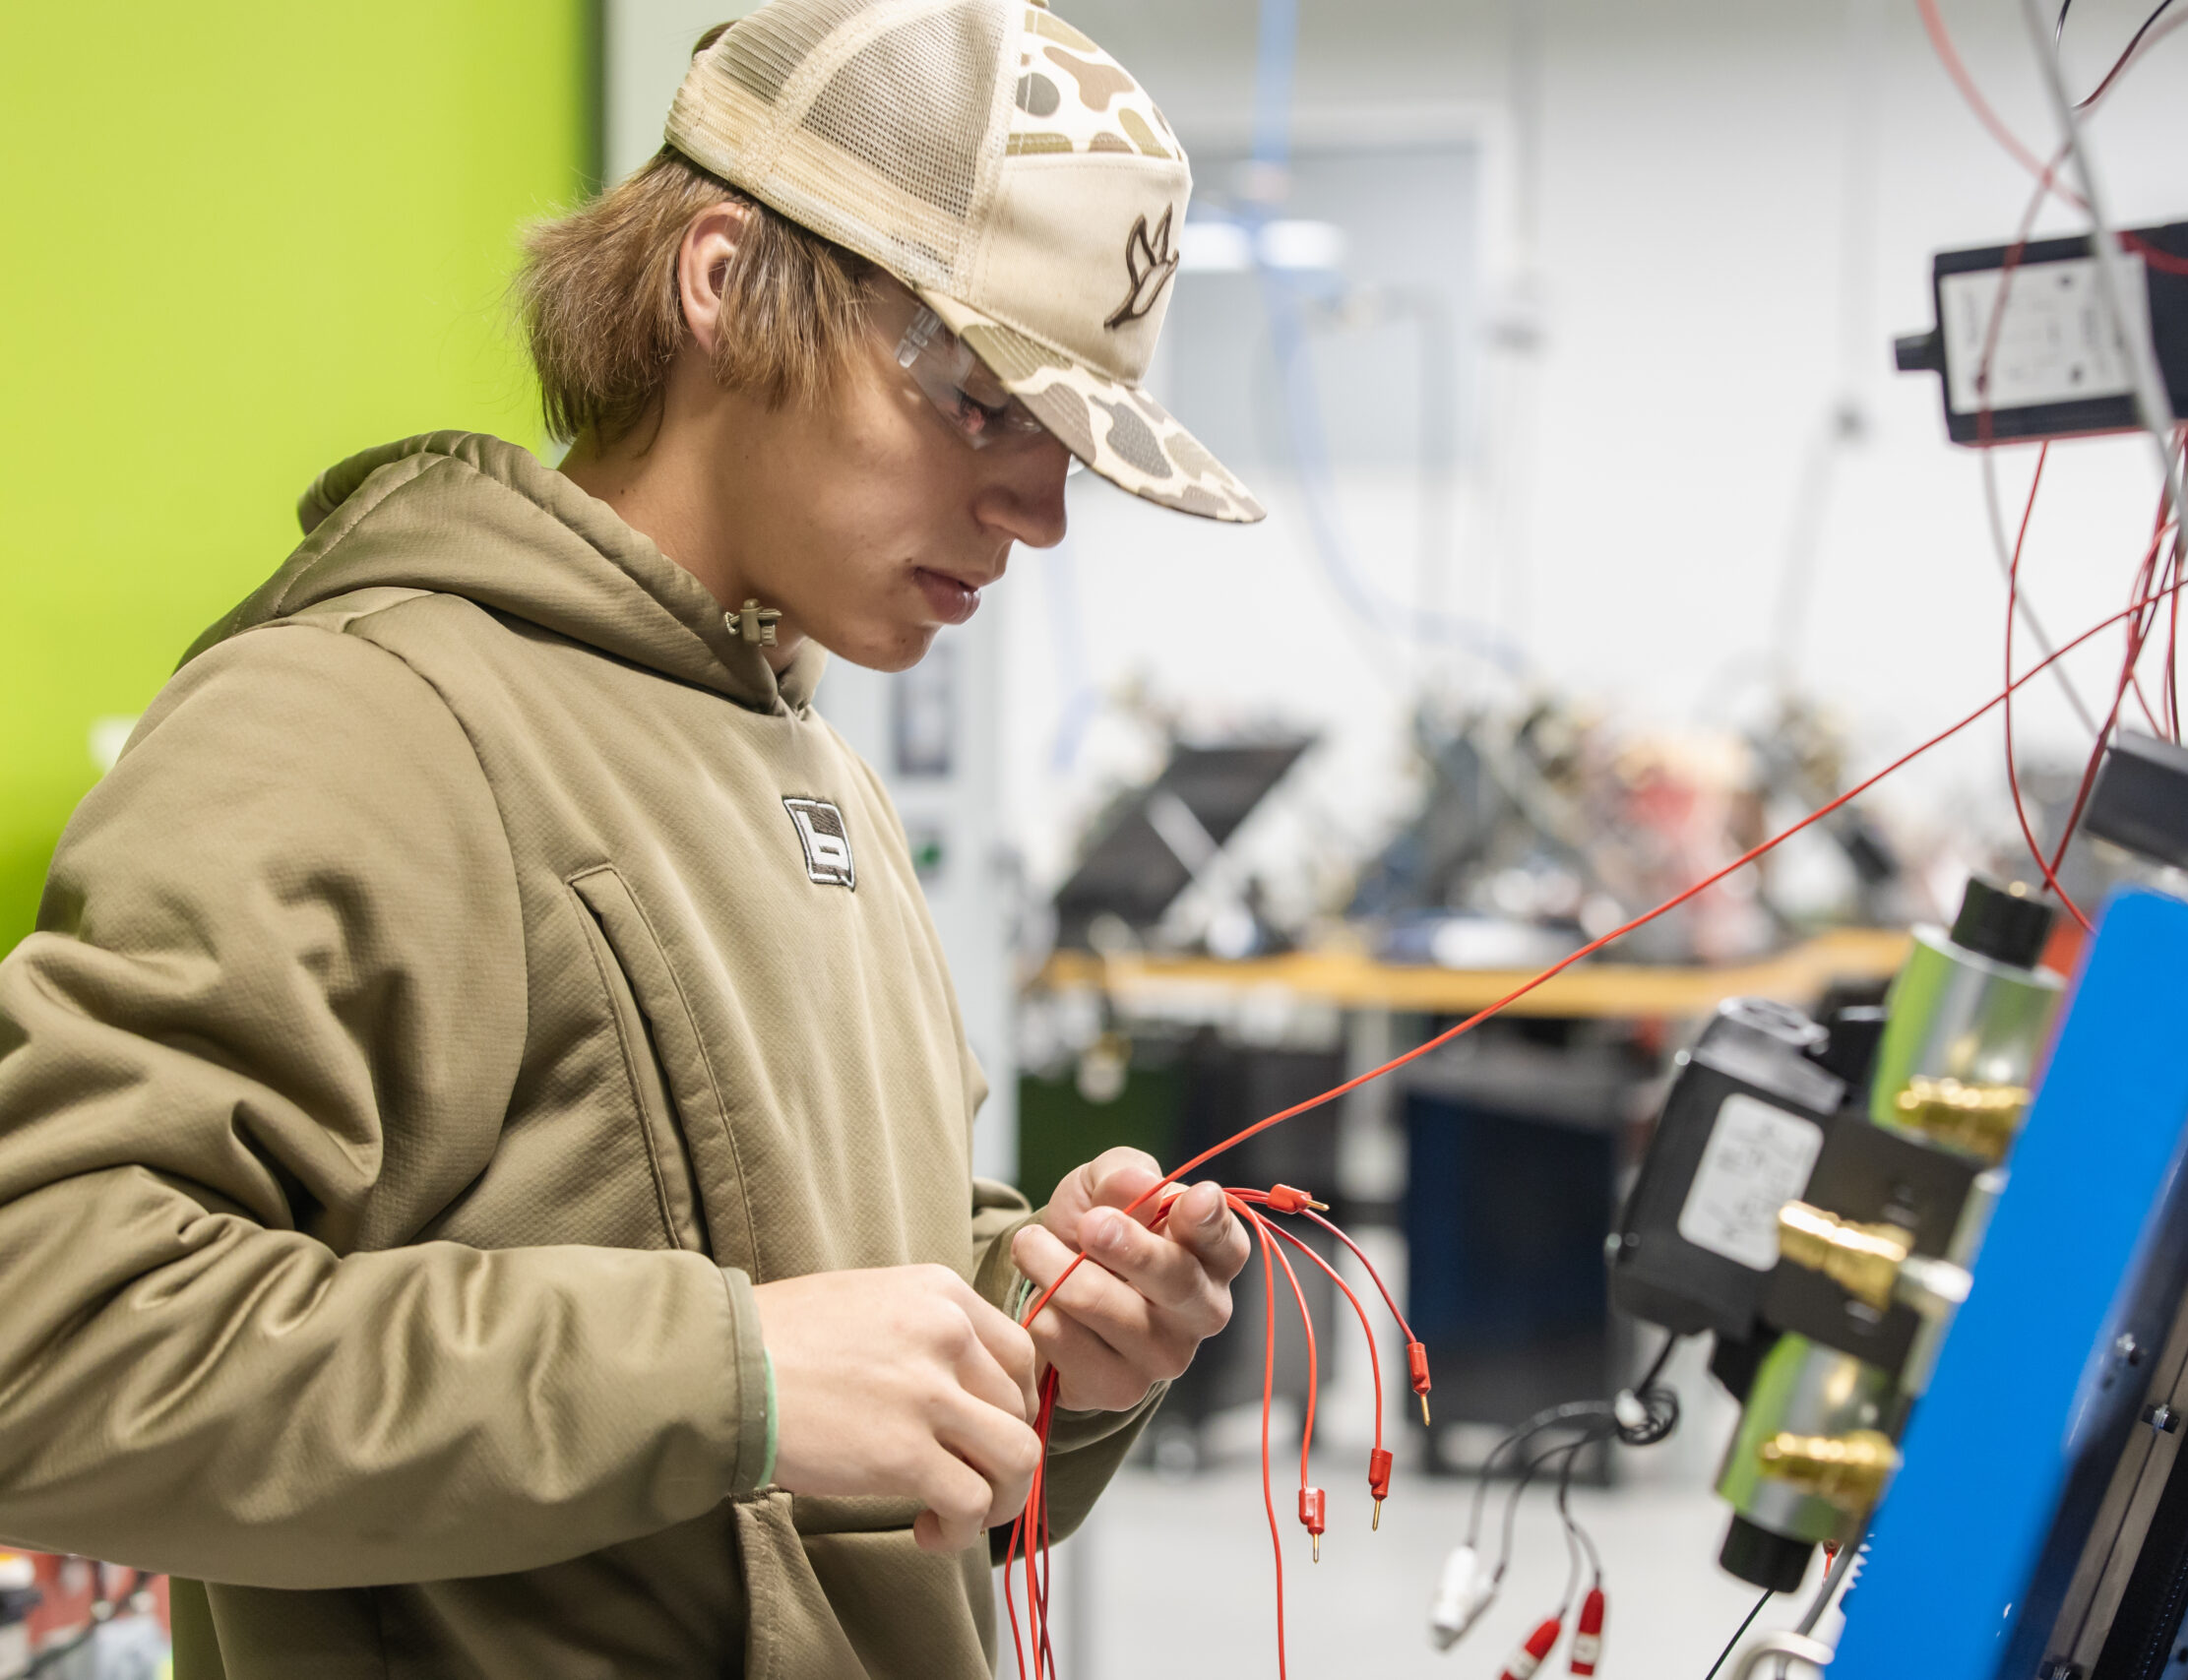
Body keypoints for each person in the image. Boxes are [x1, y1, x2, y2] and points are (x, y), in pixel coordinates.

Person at [0, 2, 1267, 1674]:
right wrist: (727, 1377)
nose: (1037, 512)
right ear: (723, 283)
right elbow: (44, 1339)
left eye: (1071, 447)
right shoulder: (361, 721)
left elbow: (777, 1331)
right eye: (981, 406)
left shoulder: (805, 760)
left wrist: (1032, 1339)